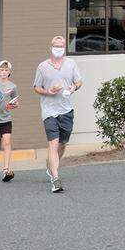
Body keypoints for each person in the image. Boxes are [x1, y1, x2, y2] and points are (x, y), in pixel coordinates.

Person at [32, 35, 82, 193]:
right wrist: (48, 91)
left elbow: (79, 82)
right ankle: (55, 178)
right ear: (51, 47)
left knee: (62, 144)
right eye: (56, 46)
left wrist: (73, 88)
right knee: (53, 143)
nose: (59, 49)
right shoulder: (43, 66)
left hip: (66, 109)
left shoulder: (71, 64)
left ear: (65, 48)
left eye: (61, 46)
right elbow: (36, 87)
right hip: (49, 111)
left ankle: (51, 166)